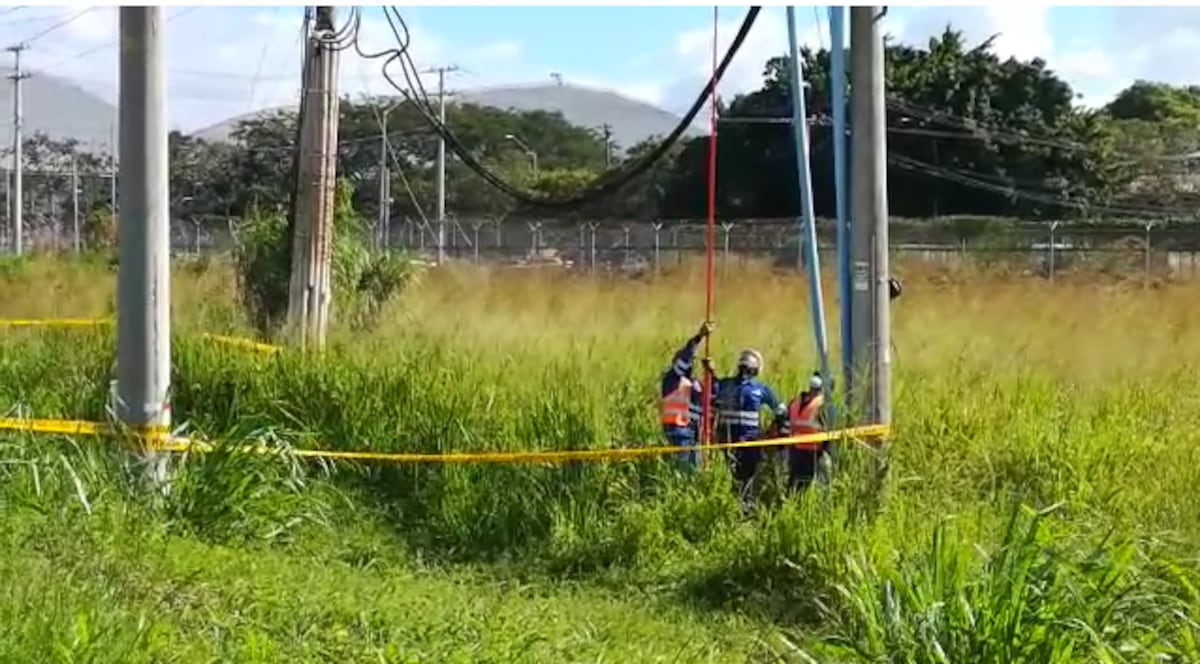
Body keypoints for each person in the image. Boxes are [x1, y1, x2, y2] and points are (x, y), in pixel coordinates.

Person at [702, 349, 784, 509]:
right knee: (746, 478)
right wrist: (771, 431)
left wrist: (710, 371)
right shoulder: (761, 389)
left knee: (735, 477)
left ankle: (735, 507)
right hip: (748, 443)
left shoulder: (725, 385)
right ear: (755, 370)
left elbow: (713, 390)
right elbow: (782, 411)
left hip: (727, 441)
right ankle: (743, 509)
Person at [660, 321, 714, 468]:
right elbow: (685, 359)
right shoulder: (672, 378)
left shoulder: (694, 383)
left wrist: (711, 373)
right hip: (678, 432)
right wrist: (699, 337)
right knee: (684, 472)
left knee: (695, 473)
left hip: (694, 434)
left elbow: (710, 397)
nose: (691, 364)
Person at [777, 372, 830, 492]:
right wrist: (826, 449)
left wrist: (781, 446)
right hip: (812, 451)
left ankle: (792, 505)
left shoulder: (794, 402)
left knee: (794, 483)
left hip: (796, 449)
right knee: (806, 484)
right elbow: (827, 430)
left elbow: (784, 425)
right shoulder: (821, 404)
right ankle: (797, 506)